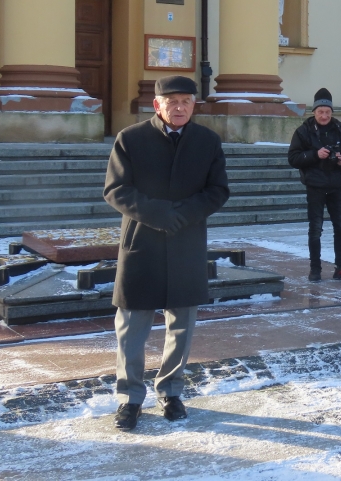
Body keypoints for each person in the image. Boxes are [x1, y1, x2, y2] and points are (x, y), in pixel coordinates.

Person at [104, 75, 230, 432]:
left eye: (186, 101)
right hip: (142, 241)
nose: (179, 107)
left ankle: (171, 392)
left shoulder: (207, 141)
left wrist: (184, 215)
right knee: (131, 326)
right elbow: (116, 189)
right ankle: (130, 397)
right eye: (171, 101)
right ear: (157, 105)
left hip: (186, 242)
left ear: (194, 105)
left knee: (182, 324)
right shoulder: (130, 139)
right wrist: (160, 214)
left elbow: (218, 190)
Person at [288, 88, 341, 282]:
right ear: (314, 111)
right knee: (316, 229)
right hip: (315, 186)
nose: (324, 116)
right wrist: (315, 154)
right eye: (320, 112)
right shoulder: (303, 131)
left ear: (332, 112)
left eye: (327, 112)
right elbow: (293, 158)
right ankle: (315, 270)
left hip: (336, 185)